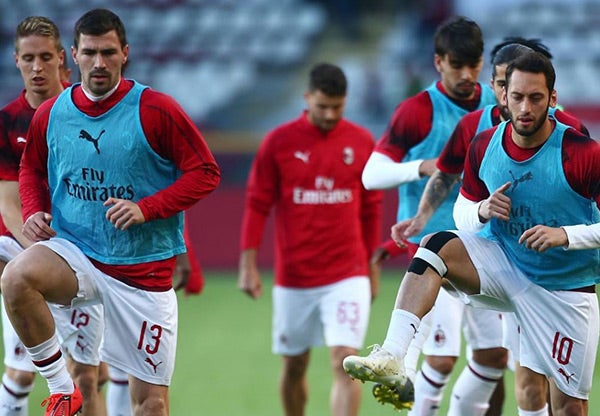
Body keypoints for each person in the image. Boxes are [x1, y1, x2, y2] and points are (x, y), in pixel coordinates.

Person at [344, 50, 600, 415]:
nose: (525, 107)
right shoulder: (483, 144)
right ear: (502, 96)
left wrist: (566, 236)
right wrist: (481, 209)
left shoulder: (582, 152)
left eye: (536, 97)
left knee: (567, 407)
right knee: (437, 245)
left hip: (563, 287)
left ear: (553, 99)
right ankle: (394, 355)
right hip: (507, 267)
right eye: (517, 97)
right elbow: (463, 210)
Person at [0, 8, 220, 416]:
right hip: (77, 253)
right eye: (90, 52)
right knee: (16, 278)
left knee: (151, 405)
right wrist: (32, 210)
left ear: (125, 53)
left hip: (141, 272)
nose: (98, 62)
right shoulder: (52, 113)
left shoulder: (156, 109)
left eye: (108, 52)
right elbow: (30, 167)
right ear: (74, 55)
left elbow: (205, 172)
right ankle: (62, 390)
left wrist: (147, 208)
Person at [360, 15, 498, 414]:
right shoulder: (418, 110)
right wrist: (420, 167)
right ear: (439, 62)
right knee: (440, 358)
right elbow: (371, 174)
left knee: (493, 359)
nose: (468, 74)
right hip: (433, 250)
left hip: (487, 247)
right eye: (458, 65)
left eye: (474, 65)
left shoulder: (497, 103)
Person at [238, 62, 383, 416]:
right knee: (294, 366)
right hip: (295, 277)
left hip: (347, 274)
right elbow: (257, 204)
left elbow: (371, 207)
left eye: (338, 106)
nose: (330, 114)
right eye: (322, 107)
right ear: (307, 99)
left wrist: (371, 268)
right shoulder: (279, 142)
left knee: (346, 362)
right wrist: (248, 265)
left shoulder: (362, 141)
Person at [0, 16, 110, 416]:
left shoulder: (85, 112)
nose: (37, 67)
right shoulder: (6, 122)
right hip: (26, 248)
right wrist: (47, 256)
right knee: (22, 372)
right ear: (15, 60)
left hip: (82, 247)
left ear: (62, 58)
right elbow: (9, 204)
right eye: (28, 58)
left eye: (45, 57)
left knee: (89, 373)